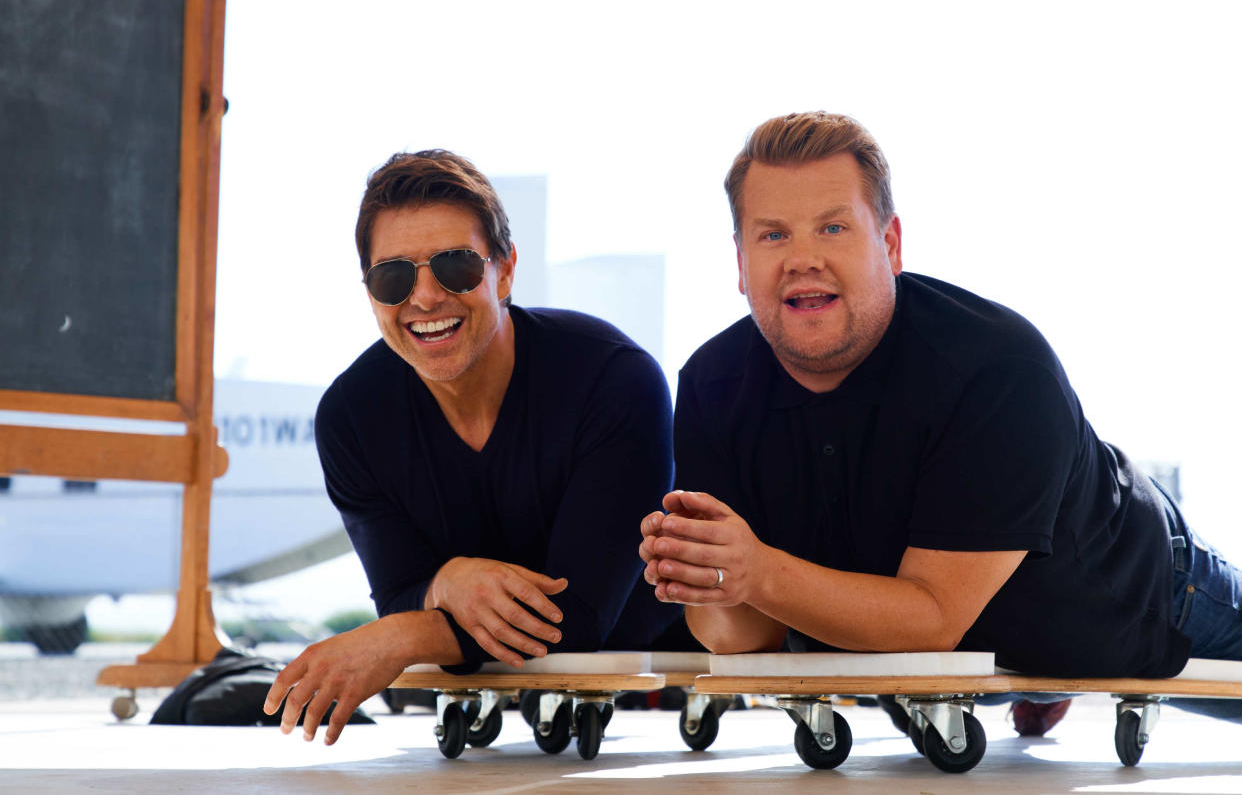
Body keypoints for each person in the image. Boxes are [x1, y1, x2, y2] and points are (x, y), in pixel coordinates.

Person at [639, 111, 1242, 735]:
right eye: (772, 236)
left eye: (833, 227)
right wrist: (702, 576)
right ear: (740, 263)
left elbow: (932, 616)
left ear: (890, 244)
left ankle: (1050, 658)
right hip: (959, 650)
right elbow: (747, 637)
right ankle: (1035, 666)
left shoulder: (996, 366)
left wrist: (754, 572)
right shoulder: (712, 385)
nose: (802, 259)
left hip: (1137, 594)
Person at [265, 149, 686, 745]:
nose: (426, 297)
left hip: (650, 650)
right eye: (394, 277)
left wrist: (408, 636)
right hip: (490, 666)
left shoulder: (614, 379)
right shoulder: (351, 417)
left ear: (505, 271)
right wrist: (447, 584)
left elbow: (581, 617)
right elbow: (400, 588)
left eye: (456, 266)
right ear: (370, 293)